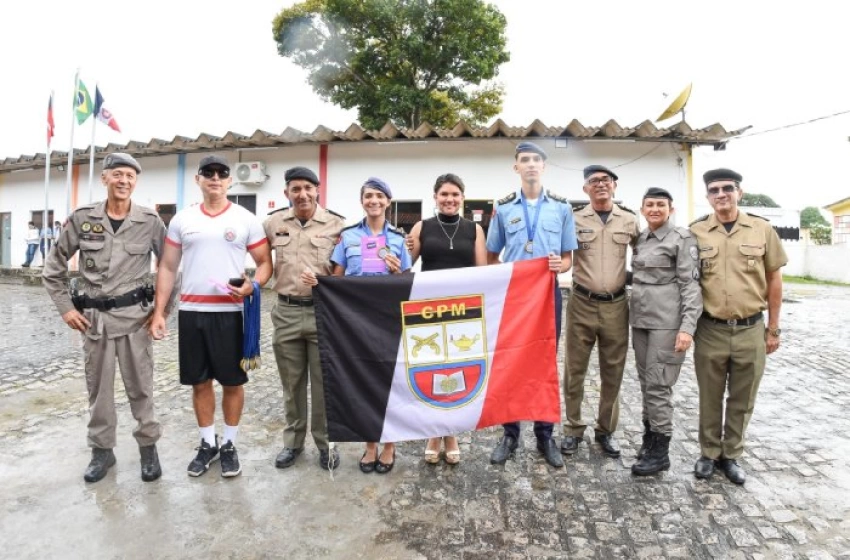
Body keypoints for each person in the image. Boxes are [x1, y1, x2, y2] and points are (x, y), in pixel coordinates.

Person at [42, 153, 166, 483]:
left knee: (141, 387)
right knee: (98, 390)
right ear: (105, 179)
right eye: (118, 174)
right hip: (94, 321)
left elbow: (169, 268)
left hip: (134, 320)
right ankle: (102, 450)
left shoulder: (150, 221)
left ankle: (148, 447)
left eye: (130, 176)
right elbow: (52, 270)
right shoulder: (82, 219)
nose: (124, 180)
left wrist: (161, 312)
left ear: (135, 182)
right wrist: (66, 308)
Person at [148, 155, 272, 479]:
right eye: (208, 173)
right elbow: (168, 267)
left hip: (230, 314)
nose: (215, 178)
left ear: (230, 181)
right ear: (198, 180)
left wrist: (252, 285)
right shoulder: (182, 220)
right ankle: (207, 444)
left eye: (222, 173)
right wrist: (159, 312)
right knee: (200, 382)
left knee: (232, 382)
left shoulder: (246, 219)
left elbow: (264, 263)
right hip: (192, 313)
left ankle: (229, 445)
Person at [689, 168, 787, 485]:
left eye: (727, 189)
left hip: (750, 329)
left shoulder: (762, 229)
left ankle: (731, 455)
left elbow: (774, 279)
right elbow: (688, 282)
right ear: (707, 197)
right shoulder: (697, 232)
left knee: (743, 398)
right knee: (710, 396)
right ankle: (708, 454)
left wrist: (773, 329)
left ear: (739, 193)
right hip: (710, 328)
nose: (721, 195)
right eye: (714, 190)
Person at [486, 141, 577, 469]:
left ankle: (544, 434)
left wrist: (560, 266)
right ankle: (510, 434)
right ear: (516, 167)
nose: (531, 165)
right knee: (510, 363)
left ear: (544, 166)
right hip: (513, 297)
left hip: (546, 295)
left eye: (536, 159)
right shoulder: (504, 207)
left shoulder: (562, 209)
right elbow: (492, 256)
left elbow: (568, 259)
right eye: (525, 160)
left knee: (544, 364)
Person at [264, 166, 346, 472]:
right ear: (286, 193)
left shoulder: (337, 225)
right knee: (291, 383)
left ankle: (325, 444)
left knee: (323, 384)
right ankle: (293, 443)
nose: (302, 194)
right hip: (284, 311)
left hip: (322, 313)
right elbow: (260, 260)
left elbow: (349, 266)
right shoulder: (272, 223)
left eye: (308, 188)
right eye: (295, 189)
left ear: (317, 190)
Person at [331, 177, 413, 474]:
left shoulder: (398, 238)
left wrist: (396, 271)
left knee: (390, 382)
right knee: (362, 380)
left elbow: (407, 281)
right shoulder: (348, 236)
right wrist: (321, 284)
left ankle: (389, 445)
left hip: (388, 318)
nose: (374, 201)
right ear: (362, 201)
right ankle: (369, 445)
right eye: (368, 196)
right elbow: (337, 277)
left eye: (380, 196)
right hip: (355, 319)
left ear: (388, 202)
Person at [406, 173, 487, 465]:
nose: (449, 199)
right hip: (427, 310)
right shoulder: (421, 226)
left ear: (462, 197)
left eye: (455, 194)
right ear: (435, 197)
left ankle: (450, 433)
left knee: (458, 372)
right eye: (444, 195)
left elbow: (482, 272)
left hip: (462, 313)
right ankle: (433, 434)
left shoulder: (474, 230)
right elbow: (405, 267)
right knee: (430, 372)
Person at [561, 165, 640, 460]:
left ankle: (605, 431)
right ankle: (572, 428)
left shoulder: (630, 220)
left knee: (613, 372)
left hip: (617, 306)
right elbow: (564, 258)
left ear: (615, 185)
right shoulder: (574, 219)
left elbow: (645, 256)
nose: (600, 185)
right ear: (585, 190)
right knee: (574, 370)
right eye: (593, 181)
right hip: (581, 303)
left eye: (605, 180)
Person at [629, 187, 702, 476]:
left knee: (659, 386)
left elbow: (690, 286)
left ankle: (660, 452)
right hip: (642, 323)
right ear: (642, 209)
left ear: (670, 209)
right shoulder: (642, 238)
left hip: (667, 325)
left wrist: (687, 328)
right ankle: (649, 441)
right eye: (650, 205)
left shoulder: (682, 239)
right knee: (647, 385)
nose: (655, 209)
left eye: (661, 204)